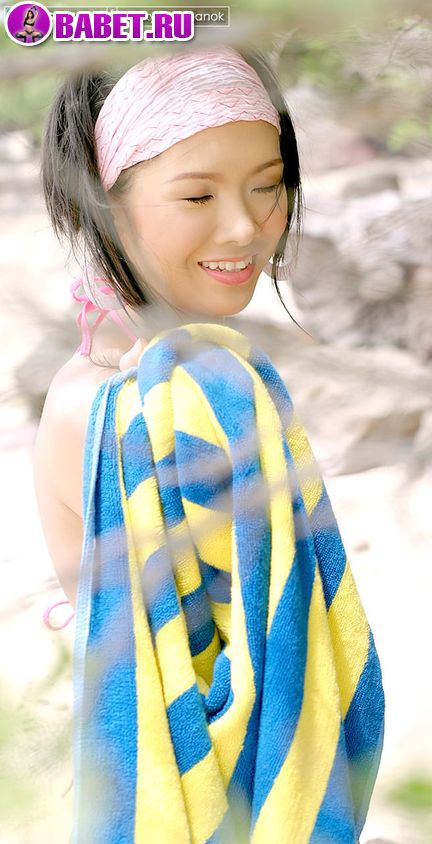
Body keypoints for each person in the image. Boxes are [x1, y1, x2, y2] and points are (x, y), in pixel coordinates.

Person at [33, 43, 303, 619]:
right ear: (100, 207)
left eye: (266, 185)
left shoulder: (189, 369)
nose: (244, 227)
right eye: (197, 195)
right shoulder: (126, 405)